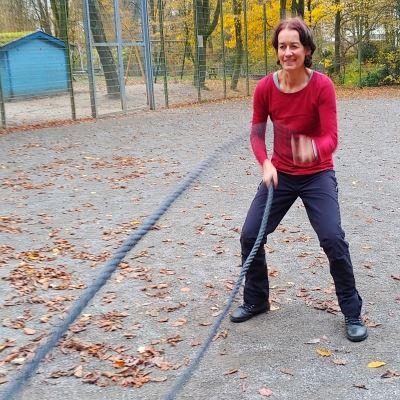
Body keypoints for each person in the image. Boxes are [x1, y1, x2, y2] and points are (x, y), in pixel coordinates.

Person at [230, 17, 367, 342]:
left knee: (333, 238)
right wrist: (265, 163)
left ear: (307, 50)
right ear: (277, 52)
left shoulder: (322, 86)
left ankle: (352, 311)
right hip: (280, 174)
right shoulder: (265, 87)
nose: (288, 52)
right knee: (251, 235)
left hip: (317, 174)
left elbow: (332, 138)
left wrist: (313, 149)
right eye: (282, 46)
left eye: (294, 45)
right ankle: (257, 299)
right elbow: (256, 132)